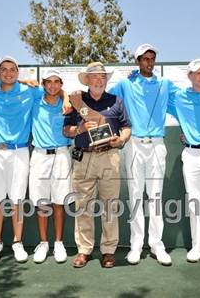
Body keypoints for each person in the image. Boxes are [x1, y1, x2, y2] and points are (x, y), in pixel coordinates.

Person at [109, 44, 177, 265]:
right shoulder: (126, 83)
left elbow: (187, 101)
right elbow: (105, 101)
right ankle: (136, 245)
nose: (149, 62)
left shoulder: (165, 84)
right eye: (145, 59)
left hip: (157, 144)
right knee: (136, 196)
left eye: (152, 58)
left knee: (155, 196)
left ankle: (157, 244)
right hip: (134, 144)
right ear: (137, 61)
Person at [63, 62, 131, 268]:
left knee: (110, 206)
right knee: (83, 207)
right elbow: (66, 130)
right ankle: (84, 250)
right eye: (95, 77)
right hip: (84, 159)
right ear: (87, 80)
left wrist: (121, 140)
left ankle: (109, 251)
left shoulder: (116, 101)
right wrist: (80, 128)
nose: (99, 80)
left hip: (109, 156)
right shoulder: (76, 101)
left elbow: (126, 126)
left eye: (103, 77)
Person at [0, 56, 42, 264]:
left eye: (12, 70)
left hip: (19, 151)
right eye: (4, 70)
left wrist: (68, 99)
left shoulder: (30, 91)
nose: (8, 73)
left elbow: (56, 91)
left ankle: (18, 243)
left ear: (18, 72)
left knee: (17, 200)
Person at [29, 69, 72, 264]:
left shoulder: (67, 105)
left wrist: (66, 98)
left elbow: (71, 95)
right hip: (39, 154)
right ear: (43, 84)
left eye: (57, 82)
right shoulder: (35, 98)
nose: (53, 85)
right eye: (49, 82)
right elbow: (14, 81)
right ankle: (44, 243)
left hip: (62, 153)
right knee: (42, 202)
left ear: (61, 85)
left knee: (59, 201)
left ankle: (59, 243)